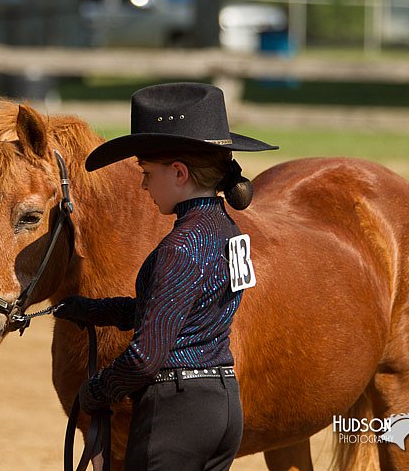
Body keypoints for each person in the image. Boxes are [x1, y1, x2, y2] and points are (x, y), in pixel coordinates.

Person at [54, 82, 277, 470]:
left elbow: (144, 359)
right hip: (222, 406)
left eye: (146, 172)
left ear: (178, 172)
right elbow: (182, 309)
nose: (142, 184)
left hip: (176, 414)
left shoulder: (181, 245)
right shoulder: (228, 229)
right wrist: (93, 310)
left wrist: (97, 391)